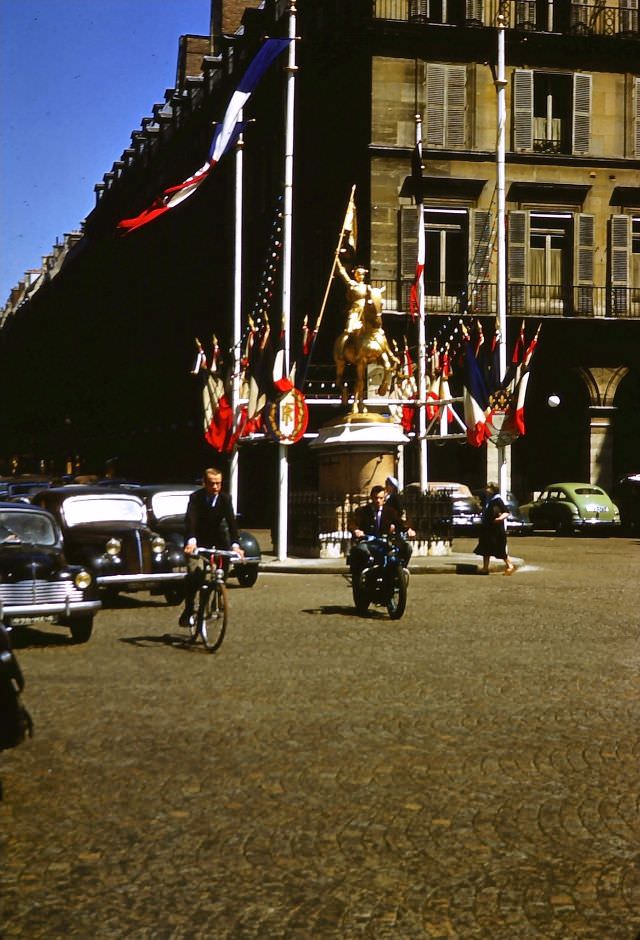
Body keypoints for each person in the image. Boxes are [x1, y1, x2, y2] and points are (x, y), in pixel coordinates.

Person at [179, 467, 244, 627]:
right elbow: (191, 520)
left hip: (219, 539)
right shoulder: (196, 498)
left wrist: (236, 545)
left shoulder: (225, 499)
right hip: (198, 541)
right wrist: (191, 541)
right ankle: (189, 609)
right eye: (211, 484)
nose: (215, 487)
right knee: (196, 573)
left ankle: (219, 594)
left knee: (225, 567)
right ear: (204, 483)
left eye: (218, 483)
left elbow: (231, 523)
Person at [349, 484, 415, 578]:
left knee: (407, 548)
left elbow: (399, 523)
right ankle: (363, 574)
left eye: (381, 498)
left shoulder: (390, 511)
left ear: (384, 498)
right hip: (369, 541)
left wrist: (409, 530)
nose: (378, 501)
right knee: (361, 550)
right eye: (376, 498)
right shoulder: (363, 511)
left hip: (385, 541)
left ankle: (400, 570)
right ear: (372, 497)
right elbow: (352, 524)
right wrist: (356, 530)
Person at [474, 483, 515, 575]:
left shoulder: (497, 500)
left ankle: (510, 566)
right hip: (487, 529)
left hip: (495, 530)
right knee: (485, 549)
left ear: (493, 489)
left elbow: (506, 512)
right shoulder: (489, 500)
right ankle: (485, 568)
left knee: (499, 550)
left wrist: (499, 519)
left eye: (489, 488)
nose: (487, 489)